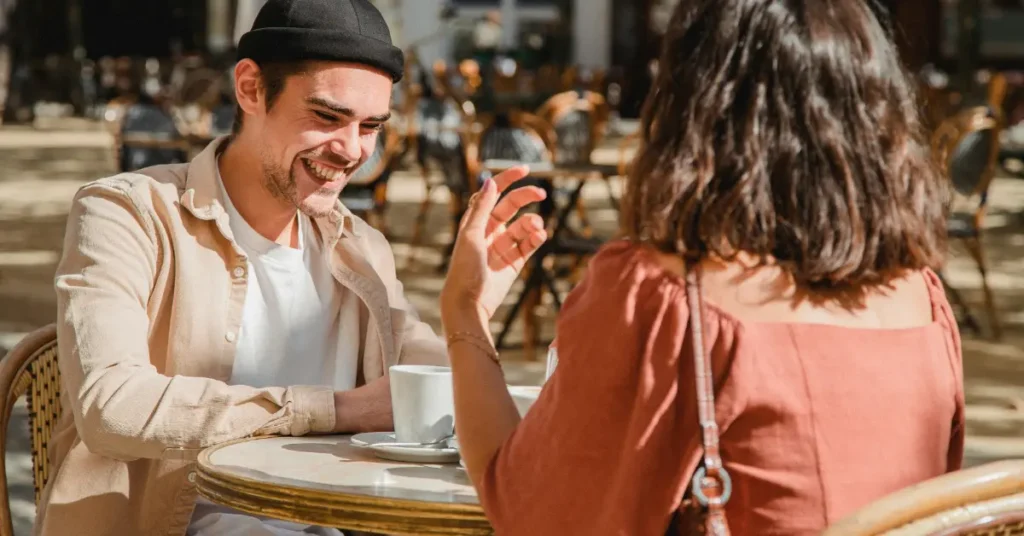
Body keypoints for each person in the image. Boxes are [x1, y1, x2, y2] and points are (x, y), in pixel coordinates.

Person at [440, 0, 964, 534]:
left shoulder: (661, 296)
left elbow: (531, 512)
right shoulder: (921, 297)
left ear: (692, 104)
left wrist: (466, 309)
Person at [36, 0, 517, 534]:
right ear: (250, 89)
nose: (352, 150)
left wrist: (470, 309)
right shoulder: (129, 213)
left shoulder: (359, 246)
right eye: (327, 117)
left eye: (371, 126)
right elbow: (112, 408)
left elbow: (425, 385)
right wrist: (335, 410)